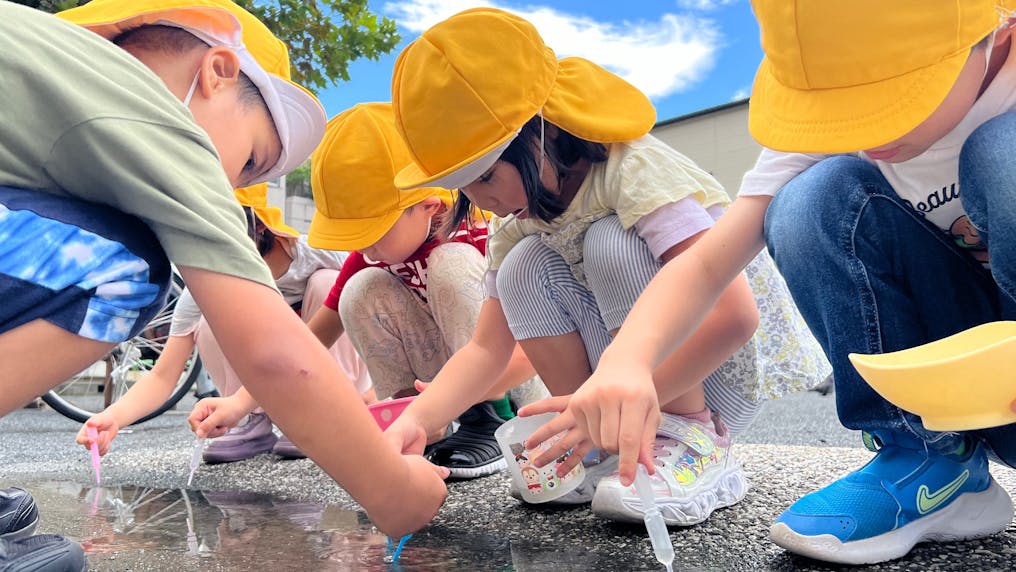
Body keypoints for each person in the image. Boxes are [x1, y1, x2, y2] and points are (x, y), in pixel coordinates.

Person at [558, 0, 1016, 564]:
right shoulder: (844, 129)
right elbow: (706, 263)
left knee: (1002, 155)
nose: (866, 129)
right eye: (841, 107)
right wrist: (625, 361)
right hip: (958, 383)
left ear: (996, 32)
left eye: (890, 95)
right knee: (807, 202)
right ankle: (929, 461)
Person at [0, 1, 445, 557]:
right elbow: (275, 354)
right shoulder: (154, 117)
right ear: (217, 72)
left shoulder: (55, 63)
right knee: (130, 268)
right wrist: (393, 489)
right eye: (253, 160)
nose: (234, 188)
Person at [384, 7, 828, 525]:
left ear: (540, 134)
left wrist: (618, 405)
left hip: (708, 370)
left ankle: (692, 439)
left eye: (486, 176)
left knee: (609, 239)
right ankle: (597, 444)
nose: (484, 200)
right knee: (524, 263)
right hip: (616, 390)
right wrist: (421, 416)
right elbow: (486, 347)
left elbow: (733, 317)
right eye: (466, 188)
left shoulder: (633, 172)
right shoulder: (516, 223)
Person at [200, 102, 544, 478]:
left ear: (428, 206)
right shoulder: (368, 260)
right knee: (361, 289)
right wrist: (239, 403)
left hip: (516, 381)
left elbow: (527, 346)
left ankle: (487, 421)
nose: (363, 248)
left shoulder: (480, 233)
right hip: (437, 394)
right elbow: (308, 342)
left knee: (449, 264)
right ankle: (411, 424)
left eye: (372, 234)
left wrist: (465, 394)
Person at [76, 184, 374, 462]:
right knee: (211, 315)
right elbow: (163, 376)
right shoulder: (210, 283)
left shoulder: (317, 255)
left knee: (332, 285)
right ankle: (251, 419)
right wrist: (114, 417)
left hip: (331, 375)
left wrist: (374, 393)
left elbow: (369, 305)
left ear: (258, 228)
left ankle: (329, 413)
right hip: (260, 386)